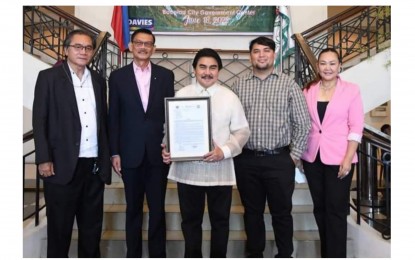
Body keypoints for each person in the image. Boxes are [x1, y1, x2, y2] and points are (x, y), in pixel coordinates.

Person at [161, 48, 250, 258]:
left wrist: (224, 151)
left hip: (220, 171)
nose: (207, 72)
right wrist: (168, 149)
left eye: (213, 67)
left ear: (219, 71)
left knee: (220, 222)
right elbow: (170, 128)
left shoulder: (230, 97)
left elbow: (242, 131)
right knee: (190, 222)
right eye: (202, 67)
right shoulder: (181, 95)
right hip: (188, 172)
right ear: (194, 70)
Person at [32, 29, 111, 257]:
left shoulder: (98, 80)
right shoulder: (48, 78)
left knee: (91, 230)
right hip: (61, 165)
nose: (83, 51)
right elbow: (40, 120)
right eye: (78, 47)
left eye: (88, 48)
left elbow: (102, 122)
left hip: (93, 167)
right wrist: (44, 158)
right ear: (66, 50)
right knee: (60, 230)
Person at [231, 36, 311, 258]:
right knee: (252, 213)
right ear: (251, 56)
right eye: (256, 51)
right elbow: (229, 123)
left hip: (279, 160)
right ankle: (255, 253)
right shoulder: (239, 85)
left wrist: (293, 157)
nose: (262, 55)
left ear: (274, 54)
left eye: (266, 50)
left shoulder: (288, 84)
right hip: (246, 160)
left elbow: (303, 123)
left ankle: (285, 254)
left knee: (282, 213)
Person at [108, 28, 175, 257]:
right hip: (129, 153)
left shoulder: (166, 76)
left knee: (158, 210)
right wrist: (114, 152)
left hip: (158, 154)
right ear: (131, 45)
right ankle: (133, 254)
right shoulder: (117, 77)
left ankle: (158, 255)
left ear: (154, 48)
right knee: (132, 209)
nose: (143, 47)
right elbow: (113, 117)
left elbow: (170, 115)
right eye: (139, 43)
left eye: (148, 43)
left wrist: (171, 145)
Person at [301, 48, 364, 258]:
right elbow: (303, 123)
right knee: (320, 209)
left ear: (339, 66)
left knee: (336, 210)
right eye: (323, 63)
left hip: (340, 158)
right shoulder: (308, 90)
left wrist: (348, 158)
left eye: (332, 63)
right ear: (317, 66)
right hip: (312, 157)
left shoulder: (351, 90)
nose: (327, 68)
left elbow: (356, 126)